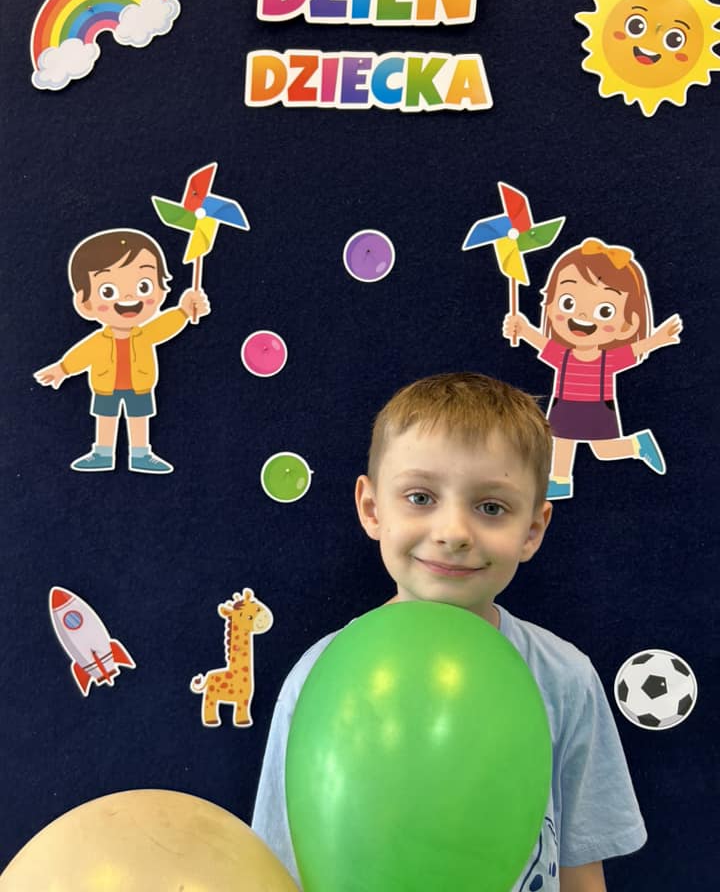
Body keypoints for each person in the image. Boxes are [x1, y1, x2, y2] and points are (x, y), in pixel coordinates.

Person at [252, 372, 646, 892]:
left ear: (532, 529)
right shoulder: (319, 677)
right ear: (372, 509)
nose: (454, 533)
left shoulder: (565, 677)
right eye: (420, 497)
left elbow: (582, 869)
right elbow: (280, 868)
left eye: (491, 508)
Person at [503, 237, 682, 500]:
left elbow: (634, 350)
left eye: (605, 311)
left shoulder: (607, 360)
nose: (582, 317)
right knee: (561, 441)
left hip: (597, 407)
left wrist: (657, 339)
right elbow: (541, 341)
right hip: (565, 404)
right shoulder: (563, 355)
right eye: (568, 303)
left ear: (627, 326)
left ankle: (637, 445)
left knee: (603, 451)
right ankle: (561, 481)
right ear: (550, 304)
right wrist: (522, 328)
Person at [34, 228, 209, 473]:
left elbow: (165, 326)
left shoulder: (146, 334)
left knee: (139, 419)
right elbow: (81, 355)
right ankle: (102, 453)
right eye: (108, 291)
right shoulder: (99, 340)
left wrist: (184, 310)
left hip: (140, 385)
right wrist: (62, 369)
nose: (128, 296)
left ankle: (141, 454)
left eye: (144, 286)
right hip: (106, 386)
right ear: (85, 304)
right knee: (106, 419)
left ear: (161, 290)